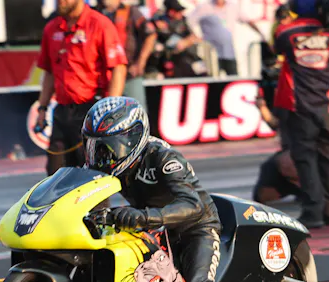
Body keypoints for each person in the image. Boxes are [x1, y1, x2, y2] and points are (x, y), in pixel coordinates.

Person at [81, 96, 271, 282]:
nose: (102, 157)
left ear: (133, 139)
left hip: (196, 228)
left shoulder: (163, 157)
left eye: (109, 147)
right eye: (95, 147)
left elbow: (192, 205)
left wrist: (144, 216)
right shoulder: (104, 165)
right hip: (155, 230)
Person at [273, 0, 329, 228]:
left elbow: (276, 47)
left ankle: (314, 211)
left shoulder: (287, 32)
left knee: (305, 158)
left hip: (299, 105)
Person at [35, 0, 128, 176]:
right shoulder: (52, 28)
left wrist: (110, 109)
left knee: (91, 173)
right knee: (55, 173)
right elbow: (49, 72)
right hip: (62, 112)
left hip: (91, 110)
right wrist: (42, 108)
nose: (60, 2)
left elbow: (118, 66)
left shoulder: (99, 24)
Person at [97, 0, 157, 108]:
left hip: (129, 74)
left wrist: (140, 62)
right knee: (107, 112)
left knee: (135, 112)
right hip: (104, 76)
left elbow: (151, 34)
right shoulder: (97, 12)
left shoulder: (131, 11)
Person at [186, 0, 266, 76]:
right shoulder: (204, 7)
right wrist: (196, 36)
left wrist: (261, 34)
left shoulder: (232, 7)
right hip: (212, 54)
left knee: (233, 78)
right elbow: (190, 21)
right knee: (214, 80)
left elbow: (248, 21)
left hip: (228, 52)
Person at [145, 0, 208, 79]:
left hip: (189, 57)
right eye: (178, 11)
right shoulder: (158, 22)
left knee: (202, 72)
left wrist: (185, 42)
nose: (181, 13)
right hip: (170, 60)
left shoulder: (184, 21)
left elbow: (194, 36)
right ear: (171, 12)